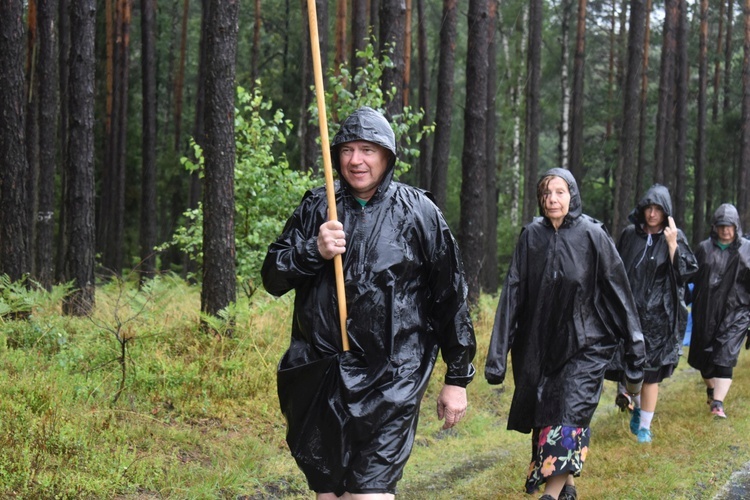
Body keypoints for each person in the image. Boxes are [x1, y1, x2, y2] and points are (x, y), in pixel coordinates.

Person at [262, 106, 477, 499]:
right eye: (347, 150)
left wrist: (457, 378)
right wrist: (313, 250)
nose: (355, 160)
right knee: (329, 493)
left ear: (387, 155)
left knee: (368, 493)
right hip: (322, 376)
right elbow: (272, 278)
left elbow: (451, 298)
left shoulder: (419, 213)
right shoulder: (316, 208)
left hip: (392, 379)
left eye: (368, 149)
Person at [485, 168, 645, 500]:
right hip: (540, 347)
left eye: (559, 192)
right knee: (546, 417)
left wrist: (635, 344)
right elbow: (512, 293)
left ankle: (551, 494)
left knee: (567, 415)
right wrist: (497, 356)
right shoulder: (531, 236)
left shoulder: (592, 234)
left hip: (586, 345)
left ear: (572, 195)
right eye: (546, 193)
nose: (552, 199)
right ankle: (568, 485)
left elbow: (619, 289)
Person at [607, 184, 698, 443]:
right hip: (629, 315)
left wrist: (673, 245)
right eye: (649, 208)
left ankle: (645, 426)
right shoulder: (629, 235)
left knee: (651, 373)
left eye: (658, 209)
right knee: (629, 368)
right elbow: (614, 269)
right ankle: (634, 404)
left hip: (660, 317)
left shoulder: (674, 236)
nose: (652, 214)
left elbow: (687, 274)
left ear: (665, 211)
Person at [687, 203, 750, 419]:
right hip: (705, 312)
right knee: (705, 361)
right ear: (715, 226)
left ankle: (718, 404)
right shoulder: (704, 249)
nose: (725, 230)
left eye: (729, 226)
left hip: (736, 312)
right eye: (721, 225)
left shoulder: (746, 250)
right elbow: (690, 277)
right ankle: (712, 389)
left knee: (725, 356)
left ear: (736, 226)